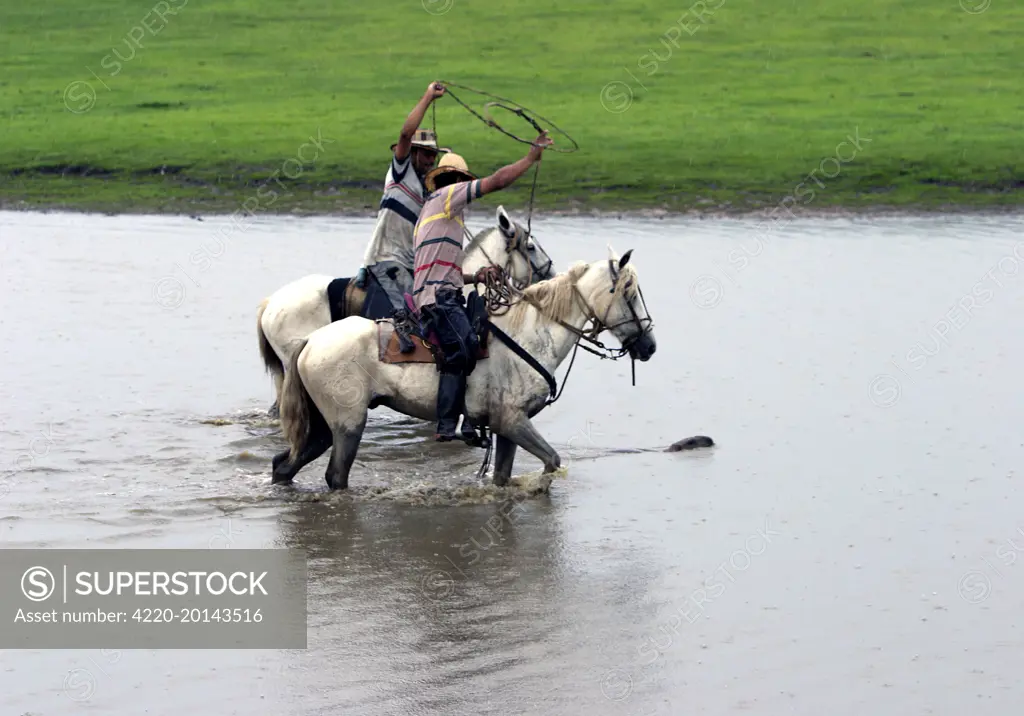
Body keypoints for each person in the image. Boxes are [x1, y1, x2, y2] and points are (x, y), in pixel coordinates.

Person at [412, 131, 554, 442]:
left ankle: (471, 422)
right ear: (452, 180)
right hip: (438, 300)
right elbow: (498, 181)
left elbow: (441, 270)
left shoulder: (436, 214)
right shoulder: (448, 197)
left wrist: (475, 278)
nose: (463, 186)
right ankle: (448, 426)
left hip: (440, 292)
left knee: (482, 335)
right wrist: (530, 158)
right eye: (458, 179)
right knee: (463, 346)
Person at [357, 81, 449, 353]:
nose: (430, 160)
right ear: (415, 153)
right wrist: (428, 97)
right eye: (426, 154)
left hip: (410, 266)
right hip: (388, 258)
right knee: (402, 321)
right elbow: (406, 133)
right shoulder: (401, 172)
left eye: (434, 156)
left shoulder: (426, 192)